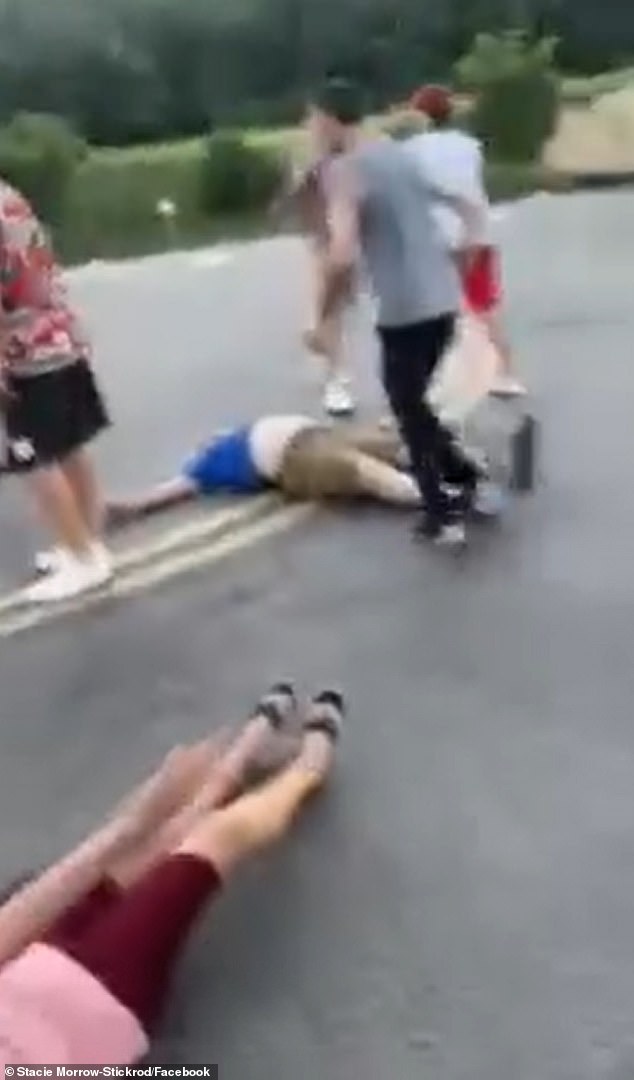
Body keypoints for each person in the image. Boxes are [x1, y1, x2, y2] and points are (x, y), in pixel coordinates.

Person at [0, 682, 343, 1066]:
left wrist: (133, 821)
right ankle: (307, 766)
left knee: (154, 842)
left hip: (31, 968)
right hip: (98, 1001)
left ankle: (246, 750)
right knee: (210, 841)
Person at [304, 78, 490, 547]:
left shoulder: (342, 172)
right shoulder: (400, 153)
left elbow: (342, 253)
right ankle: (462, 477)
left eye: (311, 119)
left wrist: (321, 317)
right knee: (413, 403)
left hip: (404, 309)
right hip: (442, 301)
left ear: (327, 119)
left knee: (408, 408)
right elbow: (469, 208)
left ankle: (442, 512)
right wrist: (461, 260)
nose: (309, 129)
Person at [0, 178, 112, 603]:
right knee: (68, 446)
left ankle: (83, 560)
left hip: (22, 351)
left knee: (34, 459)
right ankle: (86, 542)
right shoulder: (9, 196)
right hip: (59, 334)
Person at [407, 84, 526, 399]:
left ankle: (429, 381)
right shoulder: (470, 146)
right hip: (476, 232)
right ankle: (507, 373)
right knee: (484, 305)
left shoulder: (411, 150)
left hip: (436, 236)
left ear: (419, 114)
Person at [104, 413, 422, 529]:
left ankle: (449, 463)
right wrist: (121, 506)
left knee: (390, 445)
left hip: (318, 434)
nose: (206, 440)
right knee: (359, 470)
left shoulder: (233, 434)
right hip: (291, 459)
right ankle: (429, 494)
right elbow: (158, 495)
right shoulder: (199, 471)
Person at [276, 156, 357, 417]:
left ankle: (336, 375)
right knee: (328, 314)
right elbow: (289, 206)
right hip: (327, 241)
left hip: (346, 240)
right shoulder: (314, 170)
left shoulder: (338, 168)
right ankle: (335, 374)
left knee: (330, 313)